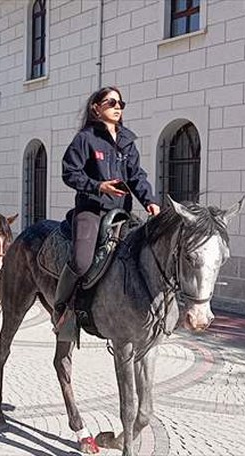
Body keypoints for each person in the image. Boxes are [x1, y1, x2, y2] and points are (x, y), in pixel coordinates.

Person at [54, 86, 161, 333]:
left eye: (120, 103)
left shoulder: (127, 141)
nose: (117, 107)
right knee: (81, 262)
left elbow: (136, 177)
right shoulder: (85, 138)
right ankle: (63, 308)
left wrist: (150, 201)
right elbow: (69, 173)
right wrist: (98, 186)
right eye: (111, 102)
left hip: (121, 212)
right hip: (91, 210)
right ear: (96, 107)